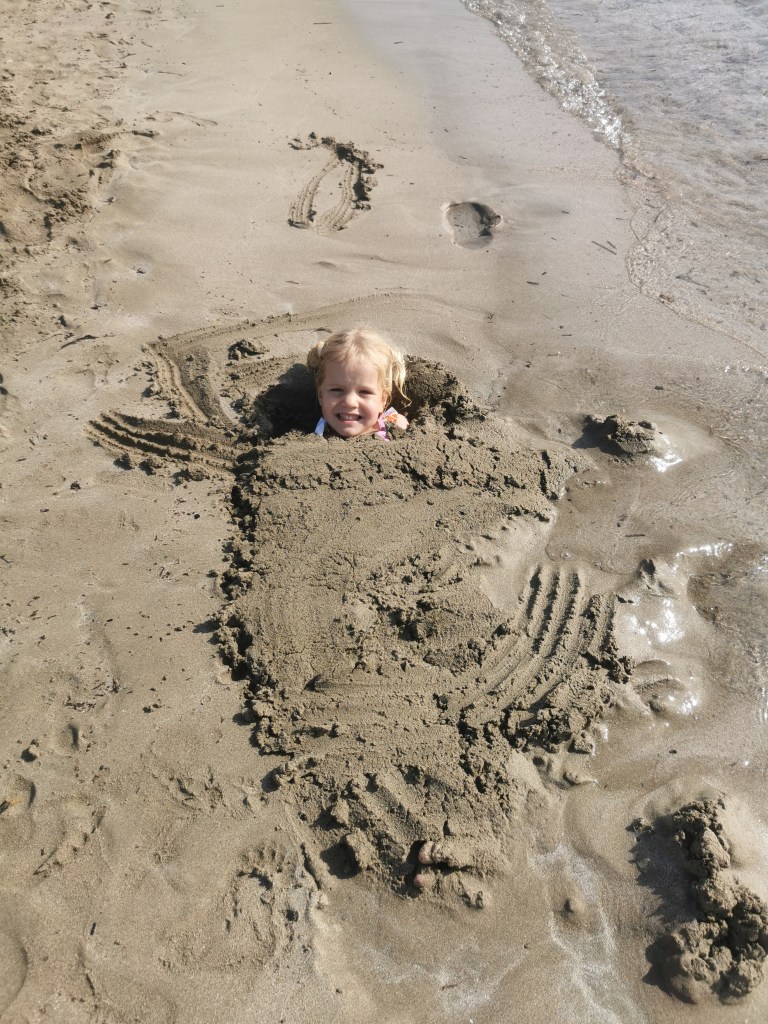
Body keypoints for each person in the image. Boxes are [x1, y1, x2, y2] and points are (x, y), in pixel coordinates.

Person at [307, 327, 410, 440]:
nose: (349, 402)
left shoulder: (393, 425)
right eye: (337, 390)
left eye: (364, 392)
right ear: (320, 395)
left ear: (383, 400)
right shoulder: (315, 434)